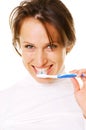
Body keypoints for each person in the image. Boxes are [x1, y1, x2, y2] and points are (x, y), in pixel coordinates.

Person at [0, 0, 86, 129]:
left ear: (68, 46)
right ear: (19, 44)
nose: (40, 61)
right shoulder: (4, 101)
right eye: (29, 46)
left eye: (50, 46)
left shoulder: (82, 97)